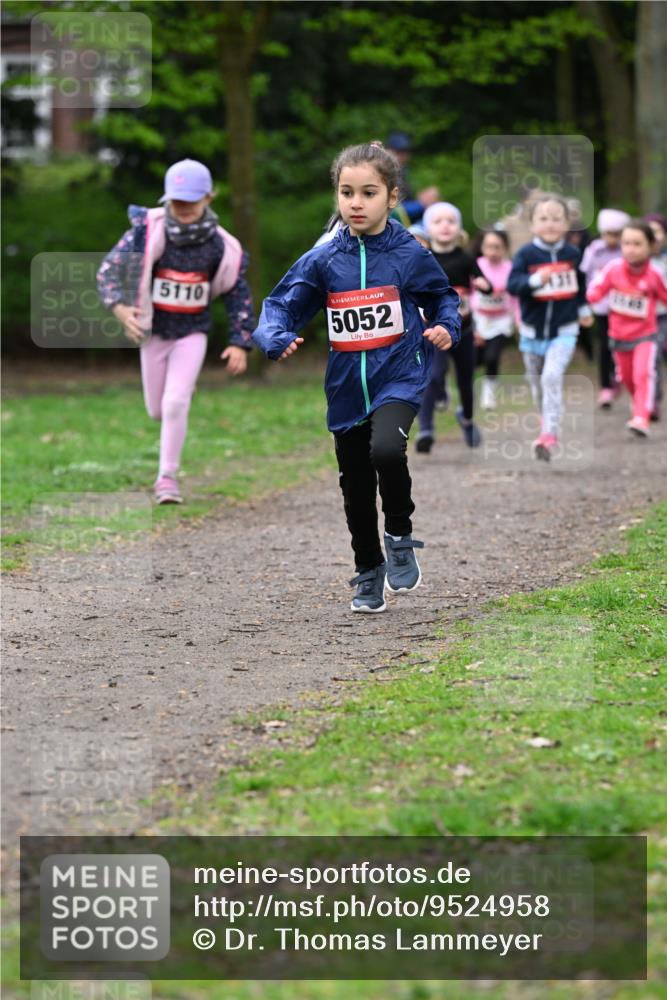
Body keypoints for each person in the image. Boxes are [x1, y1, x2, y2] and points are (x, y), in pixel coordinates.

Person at [252, 141, 461, 613]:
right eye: (347, 193)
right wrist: (275, 337)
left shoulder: (409, 252)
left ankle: (401, 535)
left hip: (400, 377)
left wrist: (447, 326)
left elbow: (443, 296)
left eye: (368, 193)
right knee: (355, 487)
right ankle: (368, 570)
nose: (355, 203)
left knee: (387, 448)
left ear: (392, 197)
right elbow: (281, 304)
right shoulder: (324, 259)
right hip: (347, 388)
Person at [97, 159, 254, 504]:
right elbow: (108, 271)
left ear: (209, 198)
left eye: (190, 201)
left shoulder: (220, 247)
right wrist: (122, 310)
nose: (182, 208)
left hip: (192, 333)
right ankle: (181, 392)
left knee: (174, 402)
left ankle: (166, 478)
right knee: (157, 409)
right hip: (154, 333)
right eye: (176, 201)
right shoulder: (147, 231)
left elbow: (236, 293)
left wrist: (240, 342)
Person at [507, 194, 594, 460]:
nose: (550, 224)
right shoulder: (526, 254)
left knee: (551, 377)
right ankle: (547, 420)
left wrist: (583, 310)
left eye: (557, 219)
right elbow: (513, 286)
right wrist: (534, 280)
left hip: (565, 331)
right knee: (537, 385)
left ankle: (549, 435)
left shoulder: (572, 253)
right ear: (532, 224)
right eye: (543, 218)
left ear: (568, 223)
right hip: (532, 333)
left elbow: (579, 287)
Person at [415, 202, 491, 452]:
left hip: (463, 331)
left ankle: (467, 419)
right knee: (432, 376)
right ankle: (425, 428)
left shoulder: (467, 258)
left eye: (451, 221)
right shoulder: (423, 259)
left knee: (466, 382)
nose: (445, 226)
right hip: (433, 330)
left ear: (459, 228)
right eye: (438, 221)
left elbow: (486, 283)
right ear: (428, 229)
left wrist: (482, 284)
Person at [587, 220, 667, 437]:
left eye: (637, 244)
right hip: (618, 336)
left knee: (643, 374)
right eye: (626, 243)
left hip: (646, 335)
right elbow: (596, 290)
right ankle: (638, 403)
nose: (630, 249)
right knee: (628, 379)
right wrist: (585, 305)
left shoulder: (655, 273)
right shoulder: (613, 269)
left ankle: (641, 416)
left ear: (651, 246)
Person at [580, 208, 630, 408]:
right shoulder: (593, 250)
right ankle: (605, 387)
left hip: (624, 308)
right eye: (608, 234)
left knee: (621, 345)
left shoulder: (627, 251)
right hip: (601, 307)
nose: (612, 238)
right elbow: (585, 275)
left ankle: (620, 377)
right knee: (604, 346)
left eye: (617, 234)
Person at [470, 229, 519, 410]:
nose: (492, 251)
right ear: (482, 247)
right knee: (476, 360)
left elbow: (515, 297)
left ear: (505, 248)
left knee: (492, 357)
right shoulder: (476, 265)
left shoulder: (510, 268)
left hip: (501, 321)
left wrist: (518, 319)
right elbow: (469, 293)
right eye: (489, 246)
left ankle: (489, 394)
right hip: (479, 319)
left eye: (497, 247)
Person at [386, 131, 439, 224]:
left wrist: (420, 200)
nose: (403, 156)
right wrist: (421, 203)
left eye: (406, 152)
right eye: (398, 152)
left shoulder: (402, 171)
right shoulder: (384, 173)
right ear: (388, 151)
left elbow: (405, 200)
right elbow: (393, 210)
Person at [644, 213, 667, 420]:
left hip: (662, 316)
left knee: (657, 354)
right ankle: (648, 400)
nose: (655, 236)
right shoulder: (635, 261)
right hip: (641, 319)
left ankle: (653, 399)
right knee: (649, 359)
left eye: (658, 231)